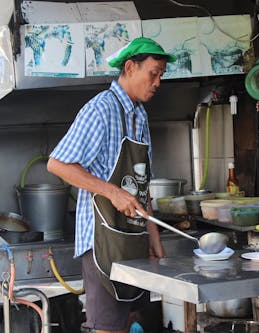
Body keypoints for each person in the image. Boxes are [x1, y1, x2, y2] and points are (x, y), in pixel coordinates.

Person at [47, 37, 177, 333]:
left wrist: (154, 237)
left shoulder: (140, 115)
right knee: (108, 327)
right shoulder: (100, 110)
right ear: (130, 68)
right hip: (103, 243)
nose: (157, 82)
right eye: (153, 73)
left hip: (134, 240)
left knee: (130, 321)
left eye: (161, 76)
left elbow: (143, 186)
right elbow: (58, 164)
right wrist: (111, 191)